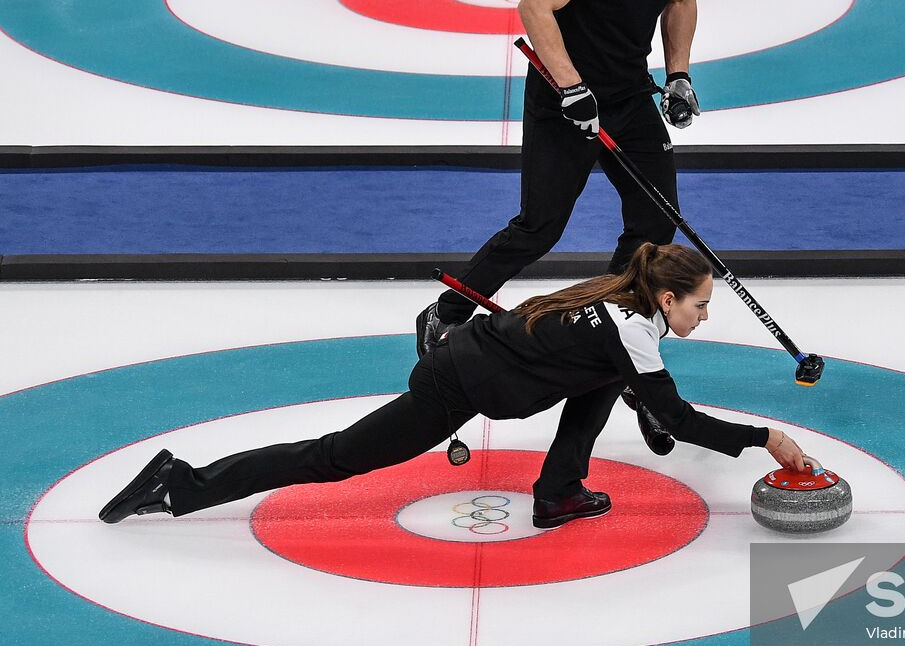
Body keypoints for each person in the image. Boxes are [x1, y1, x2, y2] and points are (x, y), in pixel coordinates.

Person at [100, 244, 812, 529]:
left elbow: (637, 388)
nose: (706, 314)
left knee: (599, 383)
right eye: (700, 304)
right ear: (664, 296)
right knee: (334, 456)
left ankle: (558, 491)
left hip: (476, 365)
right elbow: (675, 418)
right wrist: (764, 437)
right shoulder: (631, 329)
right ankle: (183, 483)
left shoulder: (620, 306)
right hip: (454, 381)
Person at [416, 0, 716, 356]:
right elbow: (534, 7)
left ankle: (614, 325)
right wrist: (572, 87)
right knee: (541, 226)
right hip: (565, 102)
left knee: (655, 219)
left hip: (626, 95)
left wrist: (678, 75)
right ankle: (448, 311)